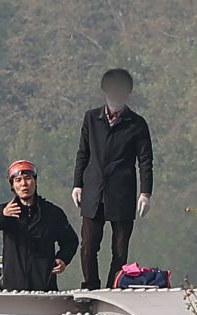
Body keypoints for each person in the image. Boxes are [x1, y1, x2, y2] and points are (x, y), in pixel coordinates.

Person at [72, 68, 154, 290]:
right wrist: (77, 184)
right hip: (93, 189)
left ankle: (113, 288)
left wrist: (145, 193)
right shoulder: (91, 118)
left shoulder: (137, 124)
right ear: (105, 93)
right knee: (88, 245)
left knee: (119, 249)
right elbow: (83, 152)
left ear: (127, 95)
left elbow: (145, 160)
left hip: (122, 191)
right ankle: (90, 285)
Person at [0, 160, 79, 291]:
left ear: (35, 181)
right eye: (18, 180)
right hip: (14, 290)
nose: (24, 184)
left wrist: (63, 259)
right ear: (12, 186)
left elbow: (71, 241)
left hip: (45, 287)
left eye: (27, 179)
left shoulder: (52, 212)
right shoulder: (6, 210)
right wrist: (3, 214)